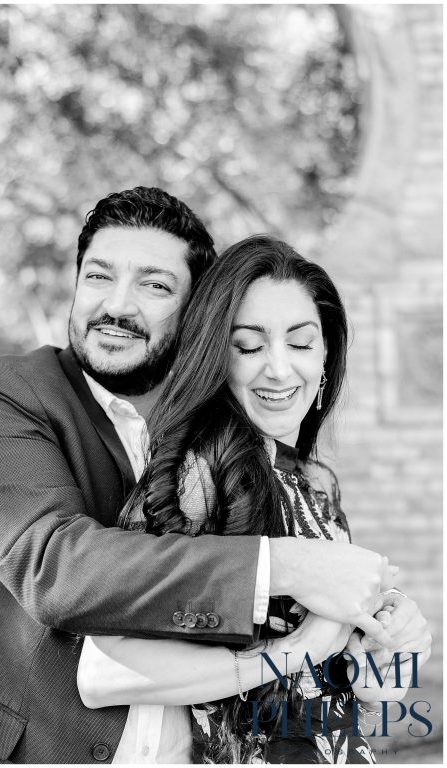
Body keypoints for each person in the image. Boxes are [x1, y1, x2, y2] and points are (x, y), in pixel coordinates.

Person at [0, 187, 397, 763]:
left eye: (154, 285)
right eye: (98, 277)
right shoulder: (1, 397)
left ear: (195, 313)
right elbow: (55, 569)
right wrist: (289, 573)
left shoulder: (235, 450)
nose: (117, 306)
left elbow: (339, 683)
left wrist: (385, 644)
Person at [76, 235, 431, 763]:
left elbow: (365, 694)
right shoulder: (199, 472)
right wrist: (288, 654)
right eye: (249, 345)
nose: (280, 369)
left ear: (327, 355)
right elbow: (104, 673)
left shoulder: (318, 486)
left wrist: (396, 647)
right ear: (217, 357)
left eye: (301, 343)